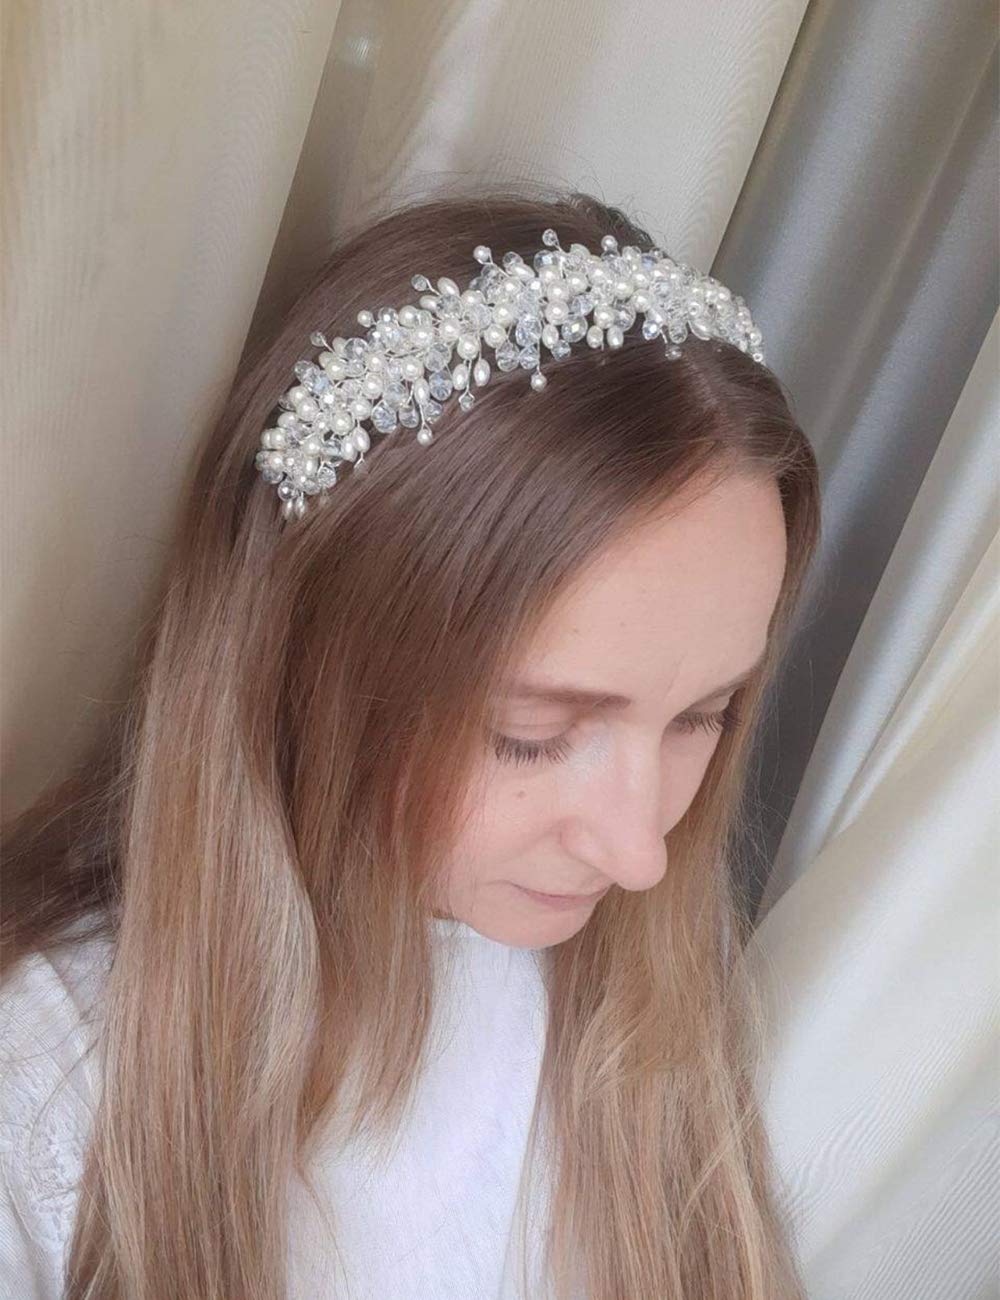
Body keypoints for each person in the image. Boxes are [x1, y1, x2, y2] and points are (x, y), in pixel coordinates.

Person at [0, 186, 821, 1299]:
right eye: (530, 736)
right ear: (308, 668)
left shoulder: (647, 1000)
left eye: (702, 716)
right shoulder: (48, 1083)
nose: (640, 854)